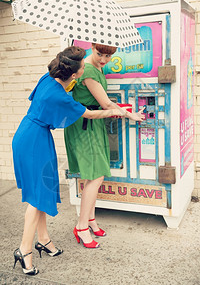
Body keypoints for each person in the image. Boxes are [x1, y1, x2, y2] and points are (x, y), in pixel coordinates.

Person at [12, 46, 132, 276]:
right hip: (34, 141)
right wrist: (116, 112)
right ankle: (24, 250)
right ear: (75, 73)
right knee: (37, 198)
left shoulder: (48, 78)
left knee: (42, 191)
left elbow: (39, 100)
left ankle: (44, 240)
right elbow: (88, 113)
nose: (85, 67)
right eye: (82, 67)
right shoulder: (59, 94)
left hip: (28, 134)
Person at [64, 43, 145, 249]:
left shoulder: (96, 67)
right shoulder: (89, 70)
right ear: (92, 47)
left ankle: (90, 220)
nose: (103, 59)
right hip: (85, 124)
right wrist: (130, 115)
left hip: (94, 122)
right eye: (100, 54)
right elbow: (107, 104)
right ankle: (81, 227)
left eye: (108, 56)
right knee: (96, 174)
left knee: (95, 173)